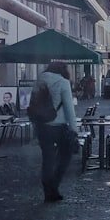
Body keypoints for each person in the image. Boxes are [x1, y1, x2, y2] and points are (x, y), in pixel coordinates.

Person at [34, 61, 78, 202]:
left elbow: (33, 105)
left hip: (42, 126)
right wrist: (74, 129)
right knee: (65, 155)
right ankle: (54, 186)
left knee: (47, 159)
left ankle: (47, 190)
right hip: (58, 126)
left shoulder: (39, 81)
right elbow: (69, 109)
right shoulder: (63, 82)